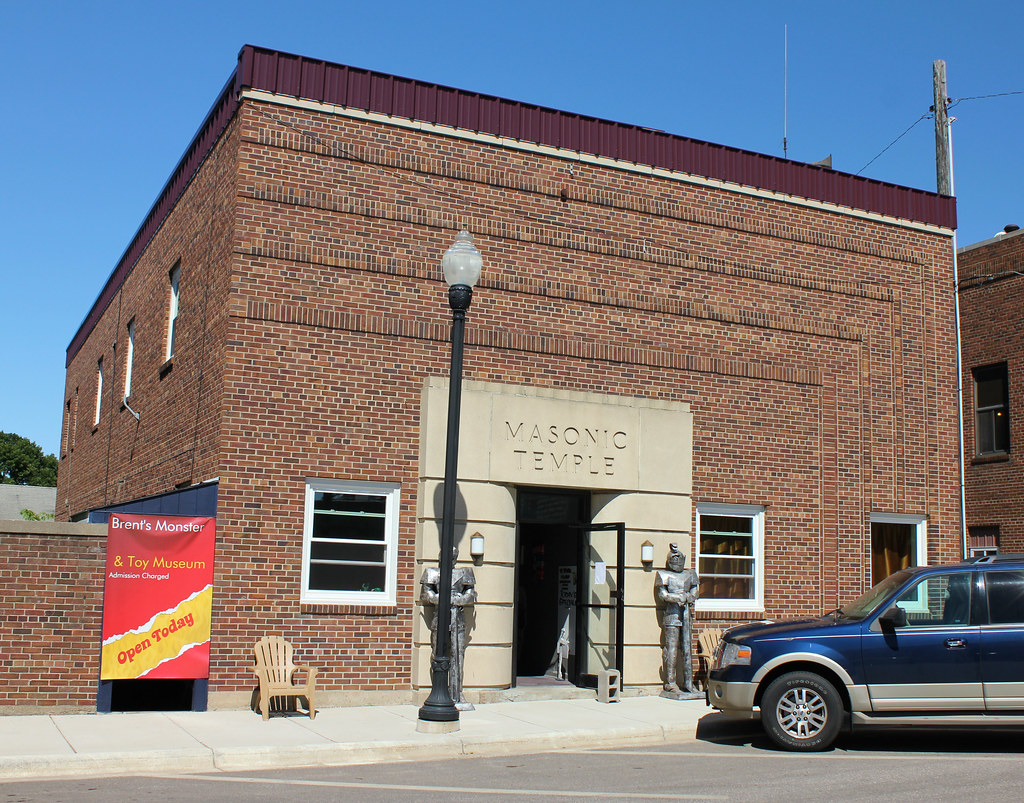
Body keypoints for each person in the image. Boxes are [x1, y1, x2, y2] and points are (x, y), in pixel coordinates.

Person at [421, 547, 478, 709]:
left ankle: (457, 693)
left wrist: (458, 599)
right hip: (440, 618)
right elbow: (426, 595)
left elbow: (471, 595)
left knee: (457, 655)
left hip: (457, 618)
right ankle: (438, 691)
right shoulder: (432, 572)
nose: (450, 559)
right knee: (437, 654)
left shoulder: (464, 572)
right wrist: (443, 598)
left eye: (453, 556)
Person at [655, 543, 700, 696]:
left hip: (686, 612)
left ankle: (688, 682)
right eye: (674, 559)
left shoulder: (690, 574)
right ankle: (671, 682)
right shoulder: (664, 575)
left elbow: (695, 591)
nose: (677, 561)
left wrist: (688, 596)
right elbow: (663, 594)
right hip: (672, 614)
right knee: (672, 648)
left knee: (687, 647)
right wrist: (677, 598)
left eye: (679, 558)